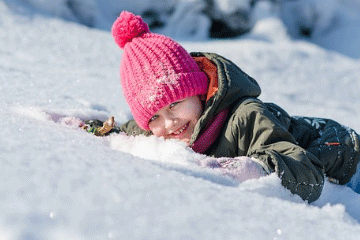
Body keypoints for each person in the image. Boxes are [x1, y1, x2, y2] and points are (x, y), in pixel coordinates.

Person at [81, 11, 360, 203]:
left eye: (176, 103)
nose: (169, 123)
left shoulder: (246, 116)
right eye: (154, 116)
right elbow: (131, 130)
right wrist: (100, 129)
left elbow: (308, 175)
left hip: (342, 154)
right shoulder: (159, 131)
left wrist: (256, 169)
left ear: (200, 93)